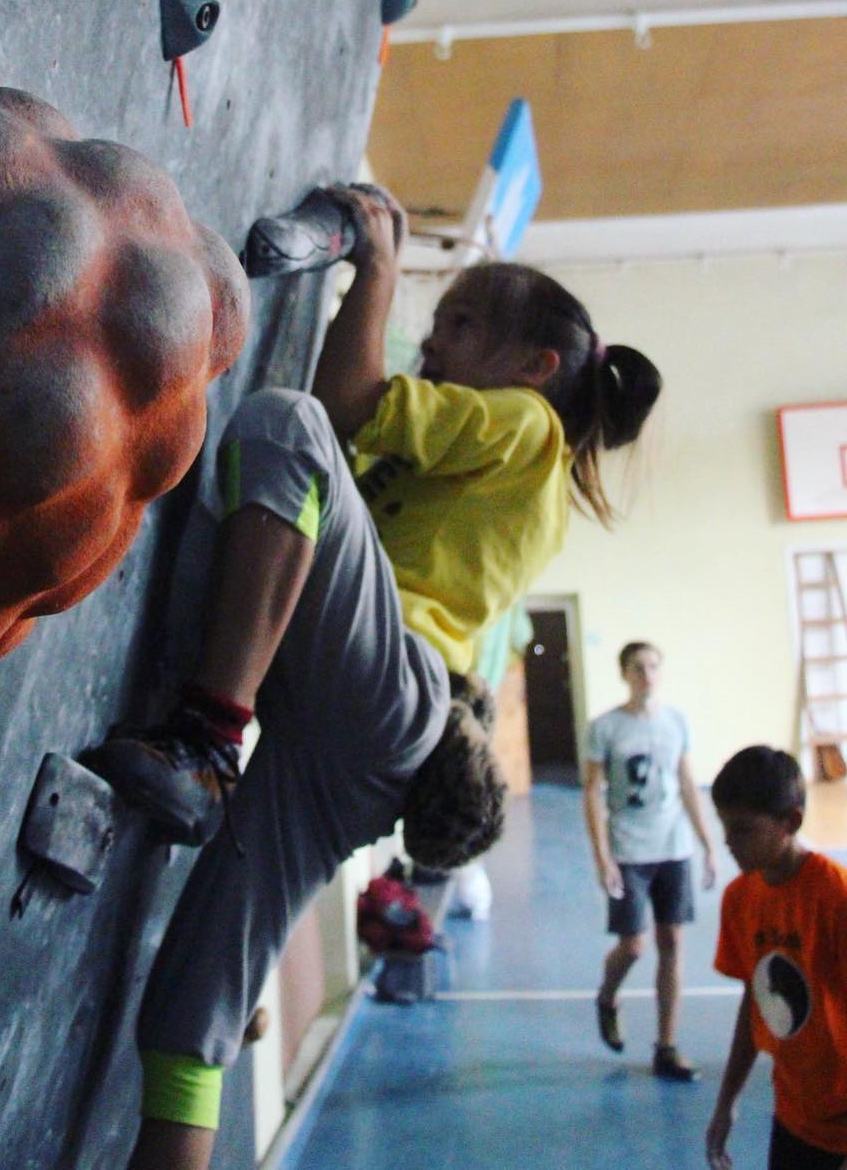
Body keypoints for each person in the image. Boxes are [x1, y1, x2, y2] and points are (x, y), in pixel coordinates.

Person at [88, 185, 663, 1169]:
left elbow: (340, 405)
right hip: (358, 745)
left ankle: (208, 739)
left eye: (460, 326)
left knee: (286, 429)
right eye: (432, 325)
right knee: (192, 1015)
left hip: (391, 686)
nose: (431, 347)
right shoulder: (478, 458)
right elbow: (346, 437)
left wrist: (380, 264)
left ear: (537, 368)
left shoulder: (527, 426)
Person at [706, 746, 847, 1170]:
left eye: (743, 829)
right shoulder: (740, 898)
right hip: (794, 1114)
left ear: (792, 822)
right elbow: (757, 999)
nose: (729, 842)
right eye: (725, 827)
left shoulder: (834, 897)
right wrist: (727, 1100)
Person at [583, 640, 717, 1080]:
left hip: (673, 847)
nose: (647, 674)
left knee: (672, 943)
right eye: (638, 667)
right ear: (624, 674)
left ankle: (667, 1046)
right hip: (629, 849)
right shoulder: (605, 728)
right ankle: (607, 997)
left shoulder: (676, 722)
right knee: (634, 944)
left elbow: (686, 781)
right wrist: (603, 857)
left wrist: (706, 842)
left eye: (654, 666)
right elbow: (591, 792)